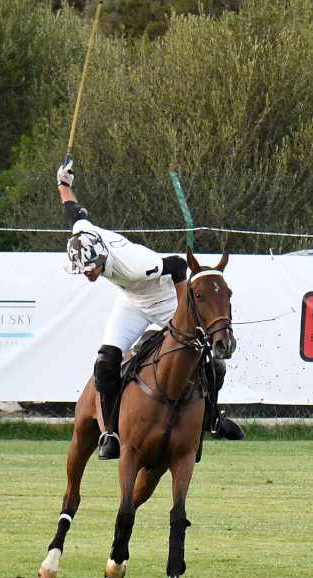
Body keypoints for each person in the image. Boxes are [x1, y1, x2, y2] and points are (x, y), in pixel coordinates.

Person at [57, 155, 243, 460]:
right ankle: (111, 435)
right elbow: (73, 209)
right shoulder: (84, 236)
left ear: (101, 256)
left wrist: (184, 309)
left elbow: (178, 266)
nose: (89, 274)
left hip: (167, 299)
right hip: (132, 302)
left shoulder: (135, 266)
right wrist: (64, 183)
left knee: (207, 358)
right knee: (106, 361)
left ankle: (214, 419)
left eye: (90, 269)